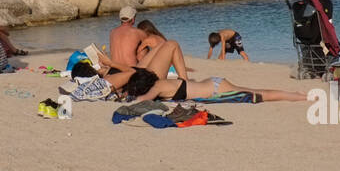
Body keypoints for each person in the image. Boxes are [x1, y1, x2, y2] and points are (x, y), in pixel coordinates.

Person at [108, 66, 307, 103]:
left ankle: (299, 96)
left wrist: (126, 96)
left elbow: (144, 99)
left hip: (216, 88)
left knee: (262, 95)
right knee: (257, 91)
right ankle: (296, 95)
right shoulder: (160, 83)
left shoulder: (158, 87)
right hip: (213, 83)